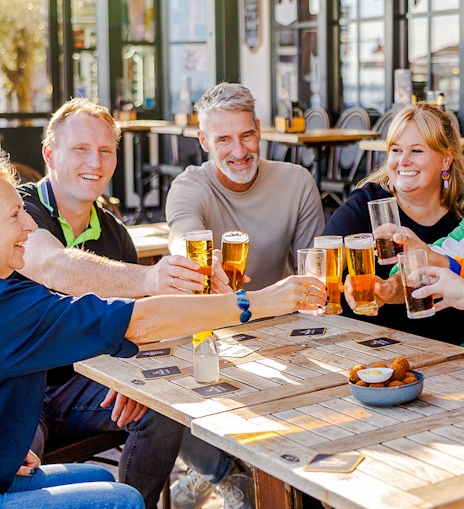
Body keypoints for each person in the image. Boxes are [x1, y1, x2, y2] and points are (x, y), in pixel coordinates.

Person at [0, 154, 326, 507]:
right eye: (15, 216)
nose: (30, 227)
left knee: (98, 477)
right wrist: (256, 303)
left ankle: (215, 473)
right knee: (121, 499)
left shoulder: (17, 292)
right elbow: (137, 319)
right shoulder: (14, 308)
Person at [16, 99, 207, 509]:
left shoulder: (116, 232)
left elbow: (139, 323)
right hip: (21, 385)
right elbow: (54, 266)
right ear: (50, 153)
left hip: (83, 384)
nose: (95, 162)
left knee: (161, 406)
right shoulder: (20, 212)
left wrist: (131, 376)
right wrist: (149, 278)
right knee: (13, 460)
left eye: (106, 151)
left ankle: (136, 503)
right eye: (81, 149)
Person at [165, 82, 325, 508]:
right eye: (223, 139)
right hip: (212, 330)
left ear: (259, 130)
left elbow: (313, 272)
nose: (239, 150)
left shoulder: (296, 181)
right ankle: (223, 475)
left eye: (246, 135)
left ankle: (220, 476)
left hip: (282, 331)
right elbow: (182, 236)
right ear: (203, 142)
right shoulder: (189, 186)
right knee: (154, 387)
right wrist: (202, 264)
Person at [323, 102, 464, 344]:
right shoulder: (365, 206)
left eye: (417, 151)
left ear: (446, 160)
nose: (403, 161)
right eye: (396, 150)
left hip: (448, 355)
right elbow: (321, 273)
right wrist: (344, 286)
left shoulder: (459, 217)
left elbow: (435, 265)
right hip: (369, 349)